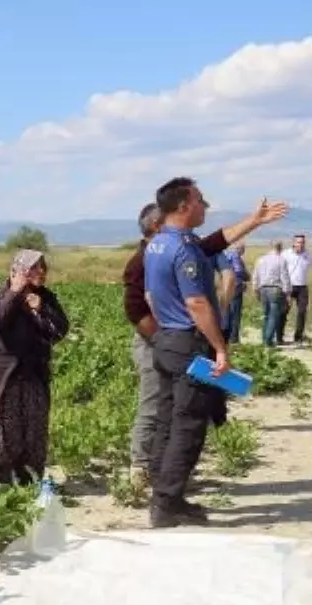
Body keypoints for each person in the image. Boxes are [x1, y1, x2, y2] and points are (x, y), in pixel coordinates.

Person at [122, 199, 286, 486]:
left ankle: (170, 473)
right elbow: (136, 311)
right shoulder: (141, 261)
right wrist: (164, 340)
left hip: (178, 343)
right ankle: (141, 467)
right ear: (157, 226)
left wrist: (254, 220)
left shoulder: (177, 248)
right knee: (154, 405)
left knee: (182, 406)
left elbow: (214, 242)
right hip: (157, 343)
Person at [142, 177, 244, 528]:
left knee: (168, 420)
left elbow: (152, 298)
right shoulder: (184, 248)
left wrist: (255, 219)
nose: (206, 206)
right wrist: (219, 348)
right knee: (188, 426)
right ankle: (167, 504)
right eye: (201, 200)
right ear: (184, 206)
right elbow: (198, 302)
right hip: (187, 343)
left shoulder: (156, 244)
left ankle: (162, 491)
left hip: (167, 340)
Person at [0, 249, 70, 487]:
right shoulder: (1, 295)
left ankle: (28, 483)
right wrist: (15, 292)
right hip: (2, 381)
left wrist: (41, 309)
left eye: (43, 267)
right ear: (19, 270)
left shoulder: (45, 298)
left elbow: (59, 330)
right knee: (1, 438)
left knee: (32, 436)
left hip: (32, 378)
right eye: (35, 268)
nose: (42, 272)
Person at [278, 233, 312, 345]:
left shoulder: (308, 254)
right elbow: (279, 268)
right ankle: (279, 336)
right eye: (299, 242)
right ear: (293, 243)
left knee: (302, 312)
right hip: (288, 286)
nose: (301, 244)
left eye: (303, 242)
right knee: (283, 311)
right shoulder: (285, 254)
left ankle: (298, 337)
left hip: (302, 287)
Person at [253, 241, 292, 347]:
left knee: (266, 315)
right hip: (275, 289)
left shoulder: (260, 259)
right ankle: (268, 341)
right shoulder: (281, 260)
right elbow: (285, 277)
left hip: (263, 289)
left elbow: (255, 275)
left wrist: (255, 289)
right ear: (280, 248)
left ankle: (264, 338)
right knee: (273, 316)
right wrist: (288, 293)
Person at [221, 243, 250, 344]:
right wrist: (246, 277)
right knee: (236, 313)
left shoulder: (226, 255)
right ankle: (234, 338)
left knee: (226, 312)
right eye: (243, 249)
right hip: (235, 286)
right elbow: (238, 271)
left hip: (224, 286)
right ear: (240, 249)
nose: (243, 252)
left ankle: (225, 336)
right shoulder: (236, 256)